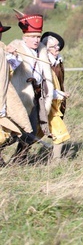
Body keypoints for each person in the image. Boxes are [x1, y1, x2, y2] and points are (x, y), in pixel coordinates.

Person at [6, 10, 54, 163]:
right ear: (24, 36)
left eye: (38, 36)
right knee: (11, 133)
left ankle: (19, 160)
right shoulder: (16, 46)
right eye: (32, 37)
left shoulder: (42, 50)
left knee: (31, 133)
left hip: (37, 98)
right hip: (21, 97)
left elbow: (47, 76)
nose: (36, 40)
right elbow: (9, 67)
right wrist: (11, 55)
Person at [0, 21, 35, 166]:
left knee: (9, 133)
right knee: (8, 133)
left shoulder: (2, 49)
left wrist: (12, 56)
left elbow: (8, 72)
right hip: (2, 97)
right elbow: (2, 78)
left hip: (5, 96)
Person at [41, 32, 70, 160]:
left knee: (33, 133)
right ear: (45, 49)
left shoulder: (57, 61)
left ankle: (19, 157)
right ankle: (56, 162)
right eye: (53, 46)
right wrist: (59, 93)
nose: (57, 48)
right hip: (44, 103)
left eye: (57, 46)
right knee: (59, 131)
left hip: (55, 103)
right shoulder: (43, 62)